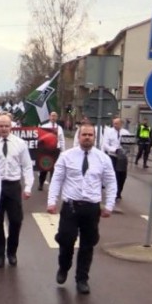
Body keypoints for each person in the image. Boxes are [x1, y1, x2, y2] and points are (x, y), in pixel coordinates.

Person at [48, 123, 117, 294]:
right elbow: (57, 179)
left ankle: (82, 279)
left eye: (90, 135)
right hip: (71, 206)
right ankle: (64, 266)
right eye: (84, 134)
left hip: (91, 208)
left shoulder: (103, 159)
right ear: (79, 137)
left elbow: (110, 182)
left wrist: (109, 205)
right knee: (65, 239)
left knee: (88, 245)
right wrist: (52, 201)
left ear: (94, 137)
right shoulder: (66, 156)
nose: (87, 137)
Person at [0, 114, 34, 268]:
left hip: (13, 186)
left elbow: (27, 166)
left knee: (16, 221)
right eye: (1, 126)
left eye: (6, 126)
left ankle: (12, 252)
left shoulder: (20, 143)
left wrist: (28, 187)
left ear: (11, 127)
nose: (3, 129)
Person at [101, 117, 131, 200]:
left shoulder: (126, 133)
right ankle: (114, 193)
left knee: (122, 176)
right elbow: (105, 145)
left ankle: (119, 192)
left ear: (121, 124)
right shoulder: (109, 132)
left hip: (123, 157)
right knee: (114, 175)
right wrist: (115, 150)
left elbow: (129, 145)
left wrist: (125, 151)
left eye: (116, 123)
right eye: (114, 123)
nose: (115, 125)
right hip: (113, 156)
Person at [38, 111, 66, 191]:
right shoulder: (44, 126)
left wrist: (63, 152)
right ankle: (41, 183)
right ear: (49, 117)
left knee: (54, 169)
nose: (53, 117)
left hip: (56, 151)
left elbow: (62, 140)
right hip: (46, 151)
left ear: (57, 117)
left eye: (55, 116)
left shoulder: (59, 128)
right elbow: (41, 139)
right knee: (44, 168)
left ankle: (52, 185)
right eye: (52, 115)